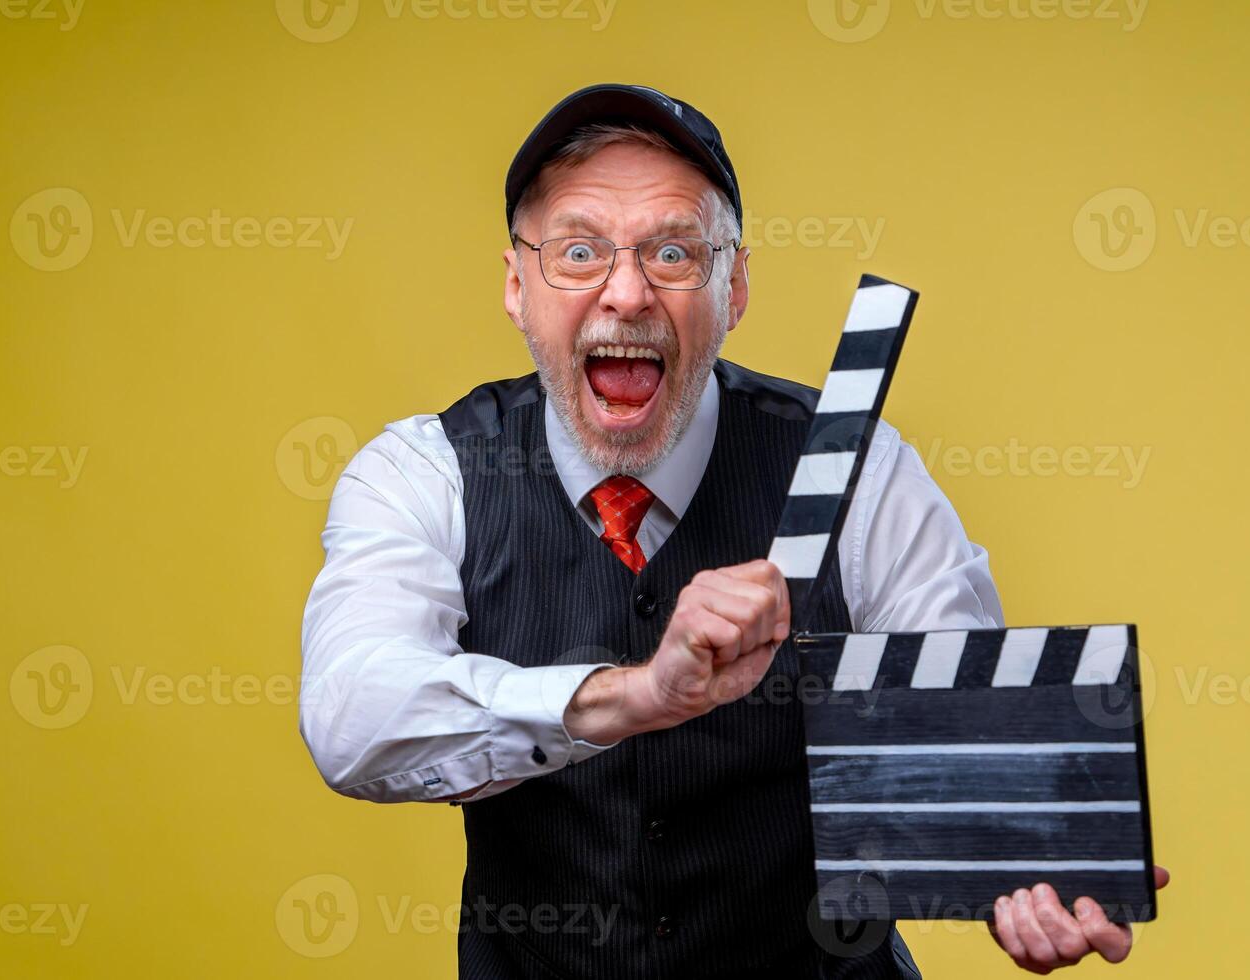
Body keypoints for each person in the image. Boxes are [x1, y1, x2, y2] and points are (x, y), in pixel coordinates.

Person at [300, 82, 1166, 979]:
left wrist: (1019, 856)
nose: (627, 293)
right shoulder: (423, 472)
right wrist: (638, 697)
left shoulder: (858, 471)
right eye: (579, 250)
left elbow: (972, 747)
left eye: (674, 252)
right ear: (517, 286)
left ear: (735, 285)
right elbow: (352, 718)